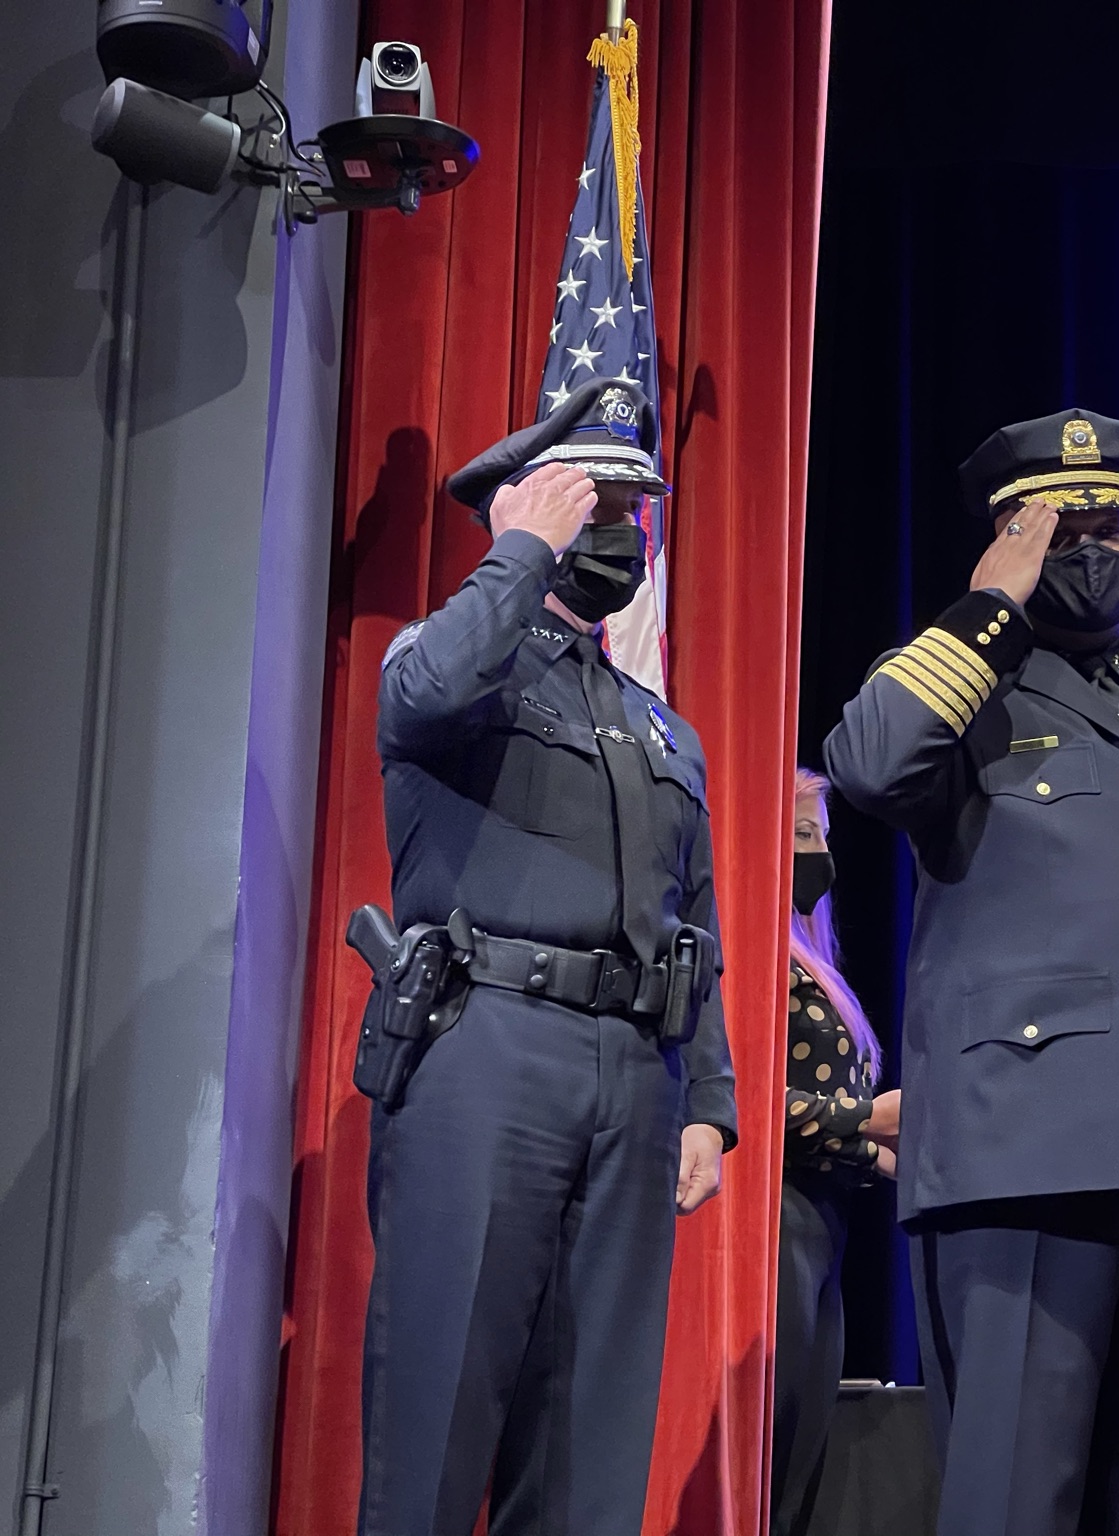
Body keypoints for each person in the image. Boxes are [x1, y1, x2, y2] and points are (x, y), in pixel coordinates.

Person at [823, 410, 1119, 1536]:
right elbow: (865, 764)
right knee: (1014, 1501)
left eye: (1107, 520)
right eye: (1058, 528)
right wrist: (986, 609)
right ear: (1008, 540)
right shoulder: (964, 694)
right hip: (1022, 1158)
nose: (1092, 546)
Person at [360, 377, 737, 1535]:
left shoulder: (659, 723)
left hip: (633, 1076)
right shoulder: (451, 663)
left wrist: (705, 1102)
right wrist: (518, 553)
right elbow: (424, 687)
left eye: (634, 509)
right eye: (595, 504)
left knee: (588, 1446)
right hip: (488, 1051)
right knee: (438, 1418)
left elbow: (698, 922)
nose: (620, 532)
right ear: (528, 510)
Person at [772, 766, 899, 1535]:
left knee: (801, 1465)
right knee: (774, 1446)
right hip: (774, 1229)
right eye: (799, 835)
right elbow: (753, 1104)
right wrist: (872, 1120)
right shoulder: (761, 964)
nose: (817, 854)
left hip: (824, 1228)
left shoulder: (815, 963)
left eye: (820, 836)